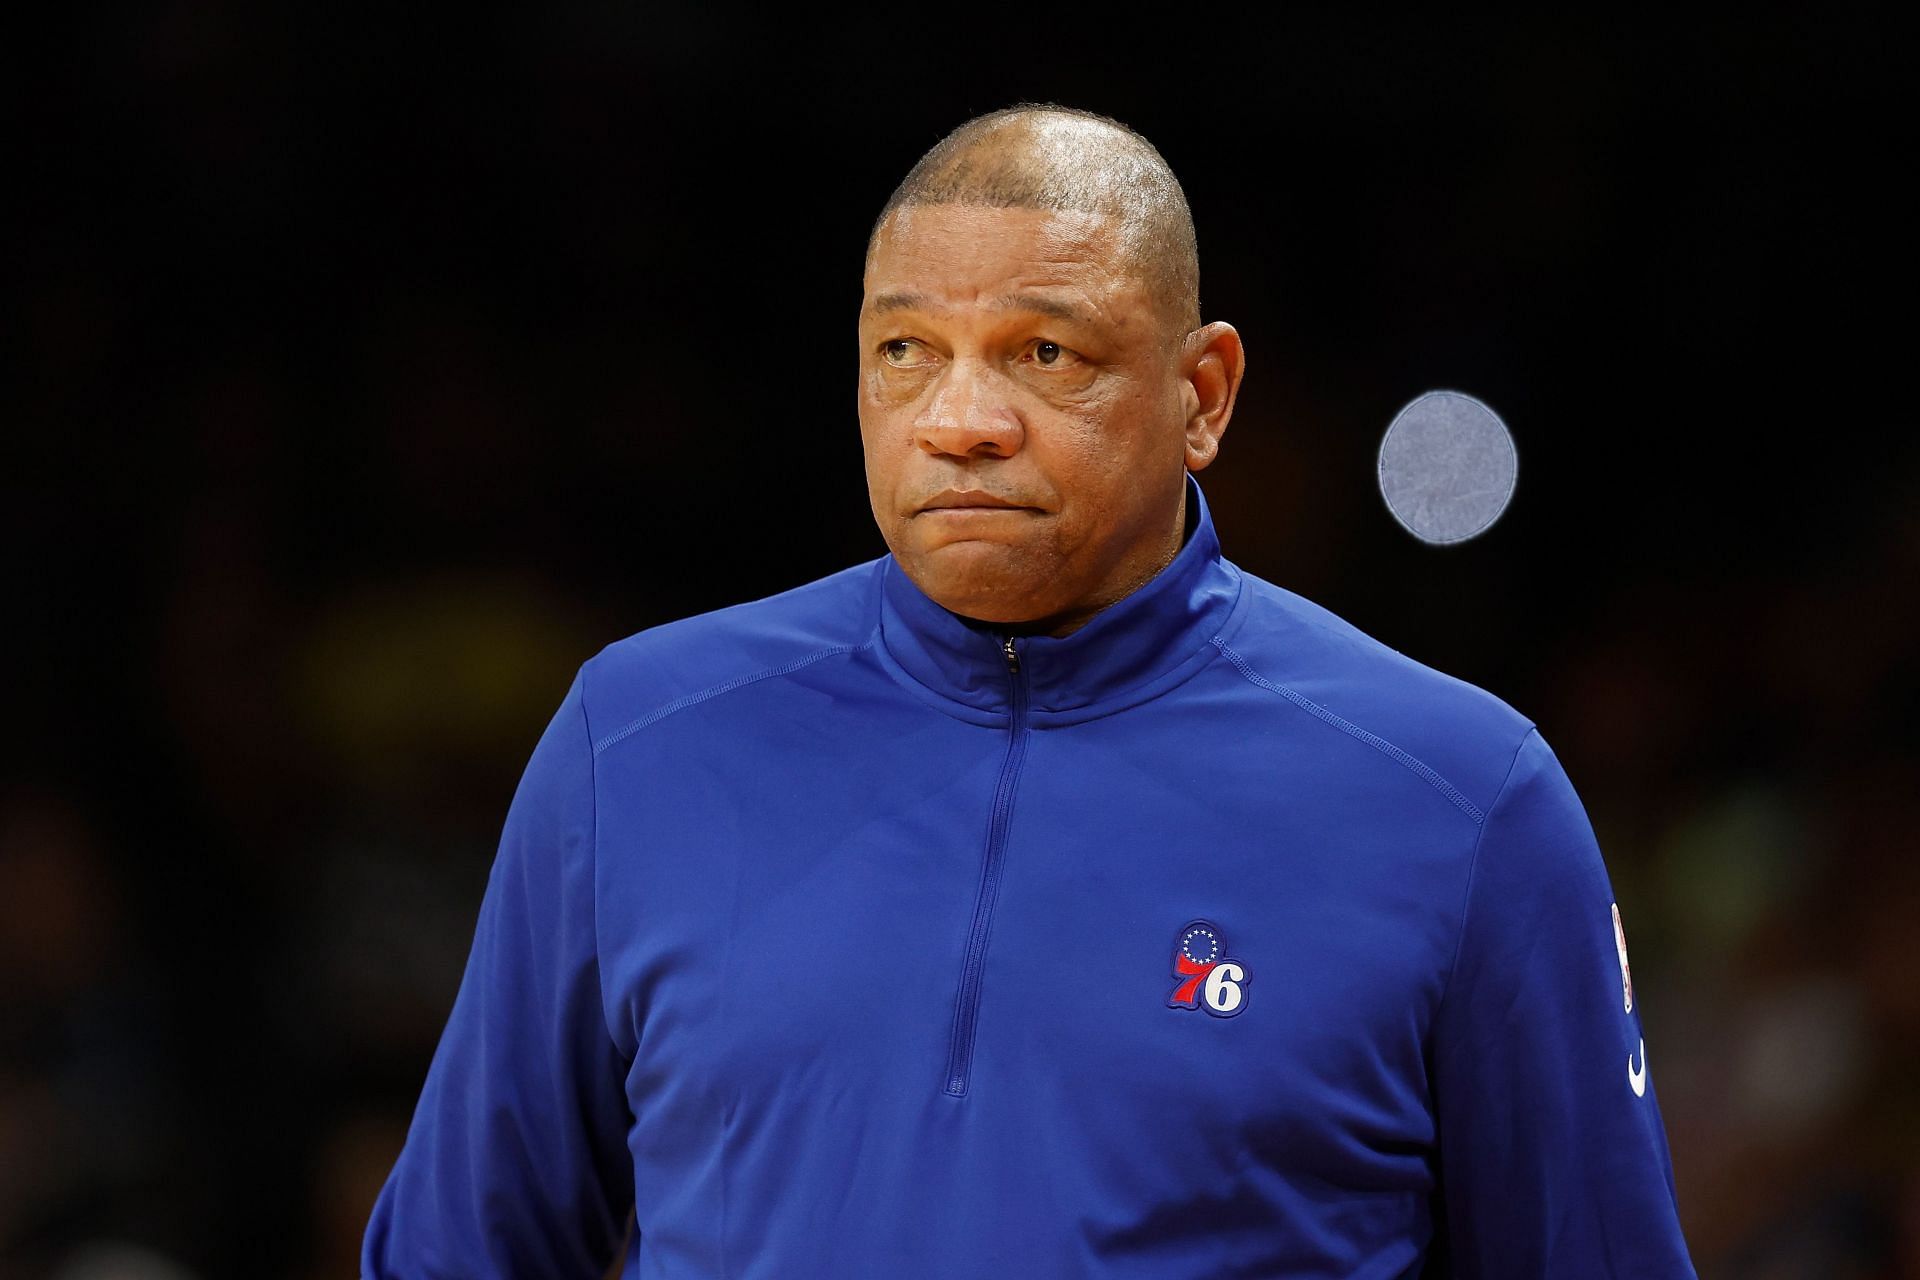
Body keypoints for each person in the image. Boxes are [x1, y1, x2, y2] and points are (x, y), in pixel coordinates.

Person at [362, 104, 1696, 1278]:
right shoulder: (639, 740)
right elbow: (455, 1253)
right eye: (905, 353)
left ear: (1204, 394)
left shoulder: (1461, 798)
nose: (960, 418)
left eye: (1043, 354)